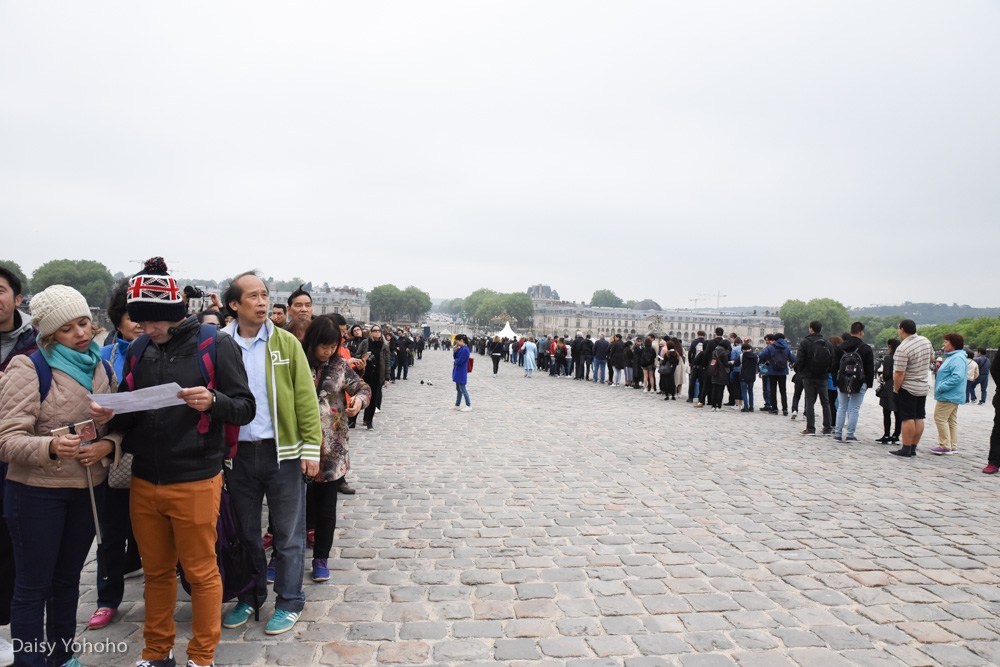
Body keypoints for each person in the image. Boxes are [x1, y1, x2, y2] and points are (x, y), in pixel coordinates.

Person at [90, 259, 255, 667]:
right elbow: (132, 409)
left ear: (173, 314)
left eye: (153, 321)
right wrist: (110, 414)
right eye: (139, 321)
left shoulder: (216, 343)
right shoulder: (141, 348)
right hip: (145, 478)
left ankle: (201, 657)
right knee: (157, 574)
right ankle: (156, 653)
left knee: (201, 573)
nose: (146, 329)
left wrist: (213, 401)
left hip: (196, 477)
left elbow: (245, 407)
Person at [0, 285, 121, 667]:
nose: (82, 333)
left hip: (87, 490)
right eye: (69, 329)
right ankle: (30, 661)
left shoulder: (102, 366)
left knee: (68, 581)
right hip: (37, 492)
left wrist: (107, 442)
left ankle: (63, 654)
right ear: (50, 335)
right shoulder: (28, 366)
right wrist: (49, 447)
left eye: (84, 323)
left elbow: (118, 426)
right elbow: (7, 439)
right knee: (33, 586)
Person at [220, 271, 321, 636]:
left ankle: (290, 600)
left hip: (284, 453)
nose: (262, 302)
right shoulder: (219, 344)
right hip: (239, 455)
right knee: (245, 533)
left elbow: (305, 400)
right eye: (253, 296)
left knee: (288, 534)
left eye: (265, 295)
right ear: (234, 304)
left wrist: (311, 449)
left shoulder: (286, 344)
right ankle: (250, 595)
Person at [87, 279, 143, 633]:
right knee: (110, 533)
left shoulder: (164, 351)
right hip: (115, 456)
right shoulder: (104, 357)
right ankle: (107, 598)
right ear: (117, 318)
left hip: (156, 454)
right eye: (130, 314)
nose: (138, 321)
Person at [302, 317, 369, 582]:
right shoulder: (298, 361)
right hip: (301, 446)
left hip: (331, 449)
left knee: (326, 508)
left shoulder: (340, 366)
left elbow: (362, 387)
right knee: (296, 507)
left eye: (333, 346)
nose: (328, 351)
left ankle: (321, 558)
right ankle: (285, 556)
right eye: (323, 346)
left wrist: (360, 402)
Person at [0, 266, 36, 665]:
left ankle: (10, 629)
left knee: (13, 545)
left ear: (17, 296)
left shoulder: (35, 342)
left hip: (19, 457)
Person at [890, 319, 934, 458]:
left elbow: (899, 372)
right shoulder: (925, 341)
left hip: (908, 386)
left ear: (902, 329)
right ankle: (913, 447)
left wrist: (896, 388)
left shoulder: (903, 348)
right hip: (922, 385)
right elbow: (931, 358)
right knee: (919, 416)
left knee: (907, 417)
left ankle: (906, 447)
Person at [832, 322, 875, 442]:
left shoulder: (840, 347)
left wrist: (837, 381)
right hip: (860, 381)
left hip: (842, 381)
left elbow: (834, 366)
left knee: (841, 407)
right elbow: (869, 368)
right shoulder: (865, 348)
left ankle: (838, 434)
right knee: (854, 408)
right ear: (861, 332)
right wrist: (868, 384)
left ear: (850, 331)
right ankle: (850, 434)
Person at [929, 333, 967, 455]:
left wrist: (942, 387)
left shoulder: (957, 358)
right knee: (951, 420)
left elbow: (957, 376)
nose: (944, 344)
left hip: (949, 394)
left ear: (953, 344)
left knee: (940, 417)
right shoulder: (955, 356)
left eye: (946, 342)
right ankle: (952, 445)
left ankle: (945, 445)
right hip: (952, 394)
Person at [797, 321, 834, 436]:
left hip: (808, 375)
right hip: (823, 375)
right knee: (825, 402)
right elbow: (832, 360)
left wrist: (800, 370)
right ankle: (827, 427)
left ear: (811, 329)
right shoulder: (827, 343)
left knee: (810, 401)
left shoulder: (805, 342)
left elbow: (800, 360)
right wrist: (827, 371)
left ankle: (811, 428)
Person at [758, 334, 795, 415]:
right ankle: (785, 409)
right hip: (783, 372)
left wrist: (767, 360)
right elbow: (793, 358)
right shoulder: (787, 347)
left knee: (773, 390)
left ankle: (774, 409)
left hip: (772, 371)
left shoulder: (771, 347)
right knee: (783, 391)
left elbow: (761, 355)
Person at [361, 326, 390, 430]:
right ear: (371, 332)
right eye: (374, 331)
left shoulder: (385, 344)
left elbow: (387, 362)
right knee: (363, 396)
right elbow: (357, 354)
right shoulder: (365, 342)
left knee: (373, 399)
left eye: (378, 331)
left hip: (378, 374)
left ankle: (369, 421)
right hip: (365, 373)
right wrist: (364, 358)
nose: (377, 332)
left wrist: (387, 377)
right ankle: (355, 419)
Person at [876, 339, 902, 445]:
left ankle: (886, 434)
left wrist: (882, 376)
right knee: (898, 413)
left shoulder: (888, 358)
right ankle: (896, 435)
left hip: (889, 387)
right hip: (899, 386)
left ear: (890, 347)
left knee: (886, 412)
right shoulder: (901, 358)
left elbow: (886, 375)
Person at [452, 335, 472, 411]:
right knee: (458, 389)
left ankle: (468, 405)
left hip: (461, 371)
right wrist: (455, 350)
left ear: (461, 340)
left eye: (457, 342)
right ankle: (457, 404)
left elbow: (459, 361)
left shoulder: (465, 350)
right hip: (458, 370)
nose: (456, 343)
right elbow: (455, 357)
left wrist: (456, 360)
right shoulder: (461, 348)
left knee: (462, 388)